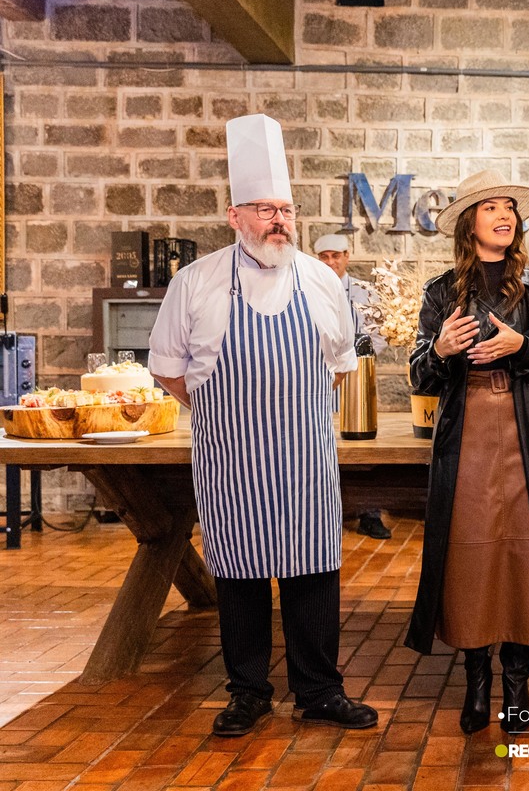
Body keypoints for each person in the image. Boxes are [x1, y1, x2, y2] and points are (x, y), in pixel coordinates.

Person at [149, 114, 378, 737]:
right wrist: (223, 413)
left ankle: (320, 691)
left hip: (304, 458)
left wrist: (291, 410)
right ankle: (248, 692)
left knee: (313, 572)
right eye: (264, 209)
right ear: (235, 216)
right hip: (230, 458)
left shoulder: (322, 280)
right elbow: (168, 369)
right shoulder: (195, 282)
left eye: (286, 209)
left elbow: (337, 368)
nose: (279, 220)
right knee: (240, 576)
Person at [402, 170, 529, 736]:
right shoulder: (441, 292)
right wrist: (441, 350)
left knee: (525, 554)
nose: (504, 215)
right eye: (490, 207)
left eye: (509, 207)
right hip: (467, 434)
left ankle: (517, 682)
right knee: (470, 556)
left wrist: (523, 347)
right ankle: (477, 680)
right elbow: (419, 376)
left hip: (525, 433)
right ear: (468, 223)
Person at [313, 232, 391, 540]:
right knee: (322, 442)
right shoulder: (308, 288)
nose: (331, 262)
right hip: (320, 379)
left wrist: (356, 361)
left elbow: (381, 334)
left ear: (347, 256)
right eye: (324, 257)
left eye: (336, 256)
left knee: (363, 448)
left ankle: (369, 514)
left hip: (357, 378)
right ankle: (323, 512)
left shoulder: (364, 292)